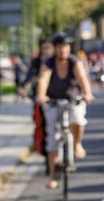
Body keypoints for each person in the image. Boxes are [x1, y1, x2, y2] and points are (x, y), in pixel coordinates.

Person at [35, 33, 94, 190]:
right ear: (55, 49)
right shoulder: (48, 63)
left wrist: (87, 94)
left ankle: (77, 144)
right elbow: (43, 80)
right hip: (53, 100)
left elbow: (82, 78)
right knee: (52, 136)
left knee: (78, 119)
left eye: (65, 47)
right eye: (60, 47)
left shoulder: (75, 61)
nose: (63, 50)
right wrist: (41, 96)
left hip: (73, 98)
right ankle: (53, 176)